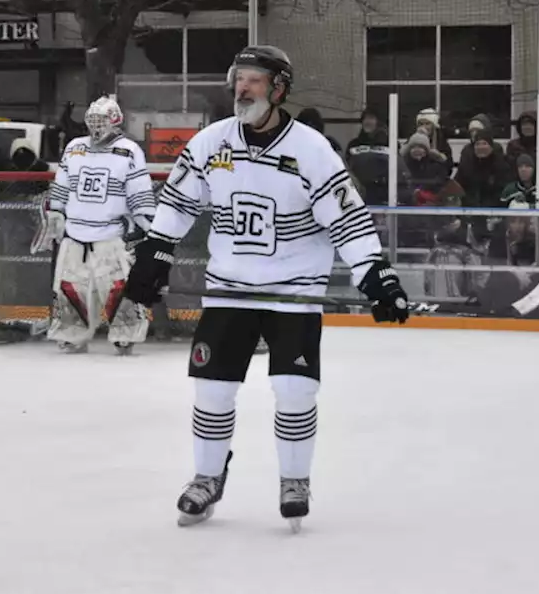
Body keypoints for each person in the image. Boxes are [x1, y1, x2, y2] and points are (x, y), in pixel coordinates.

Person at [123, 45, 409, 531]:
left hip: (293, 292)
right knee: (212, 389)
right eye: (239, 78)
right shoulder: (211, 142)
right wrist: (155, 255)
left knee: (294, 390)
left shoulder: (312, 150)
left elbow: (348, 221)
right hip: (229, 288)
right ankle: (207, 478)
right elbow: (176, 204)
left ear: (278, 89)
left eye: (255, 80)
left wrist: (374, 274)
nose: (243, 88)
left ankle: (294, 481)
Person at [33, 95, 156, 354]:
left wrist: (146, 224)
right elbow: (62, 183)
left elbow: (139, 192)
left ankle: (125, 334)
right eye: (92, 121)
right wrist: (56, 213)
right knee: (70, 286)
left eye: (101, 121)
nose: (96, 127)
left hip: (110, 234)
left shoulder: (129, 150)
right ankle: (71, 333)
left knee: (118, 287)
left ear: (115, 121)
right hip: (74, 234)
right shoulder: (74, 147)